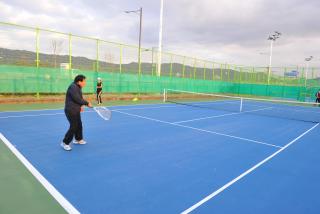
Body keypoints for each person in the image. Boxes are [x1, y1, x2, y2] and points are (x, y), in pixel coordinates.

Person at [61, 74, 92, 151]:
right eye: (84, 81)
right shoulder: (73, 87)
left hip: (75, 109)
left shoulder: (78, 87)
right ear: (79, 81)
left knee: (79, 124)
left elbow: (79, 98)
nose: (85, 83)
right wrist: (87, 103)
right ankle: (65, 142)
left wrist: (81, 106)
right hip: (70, 110)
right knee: (74, 126)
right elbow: (77, 98)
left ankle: (78, 139)